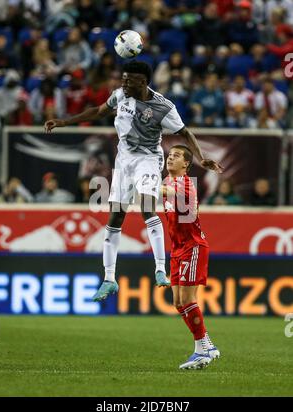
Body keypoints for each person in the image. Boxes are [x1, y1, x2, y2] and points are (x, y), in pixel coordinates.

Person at [44, 61, 222, 301]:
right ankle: (109, 279)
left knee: (147, 207)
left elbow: (185, 132)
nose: (124, 83)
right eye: (123, 78)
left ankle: (160, 269)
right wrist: (64, 122)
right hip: (124, 160)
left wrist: (201, 158)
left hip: (148, 158)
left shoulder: (163, 107)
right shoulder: (120, 95)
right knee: (115, 216)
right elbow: (98, 111)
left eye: (129, 80)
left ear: (143, 82)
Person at [163, 145, 220, 370]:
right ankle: (208, 346)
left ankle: (202, 351)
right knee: (178, 302)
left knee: (187, 300)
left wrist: (135, 184)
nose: (170, 158)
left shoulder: (184, 184)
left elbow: (163, 192)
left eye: (176, 156)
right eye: (169, 155)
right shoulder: (169, 182)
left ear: (186, 163)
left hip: (192, 246)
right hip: (177, 248)